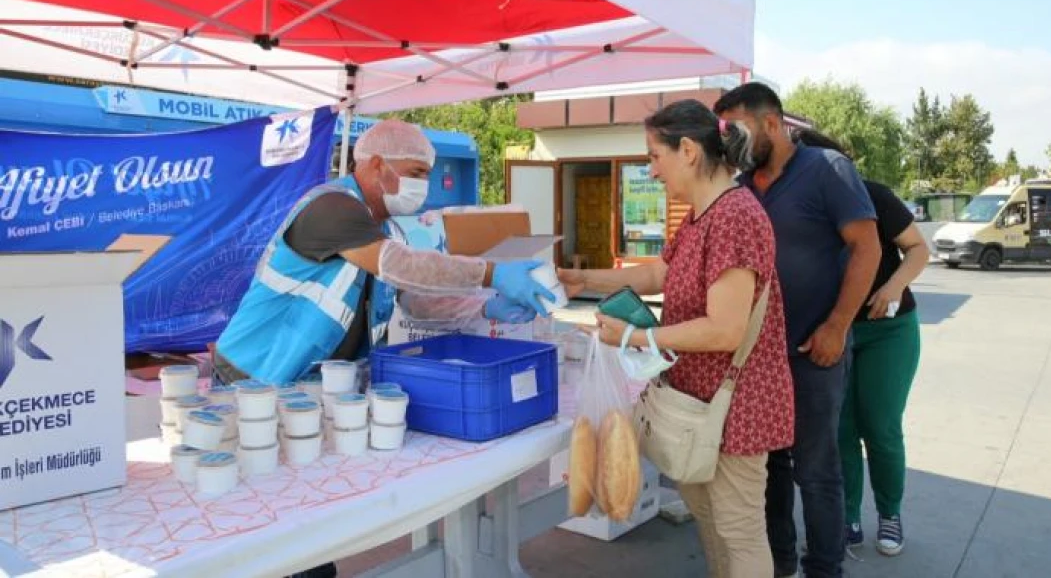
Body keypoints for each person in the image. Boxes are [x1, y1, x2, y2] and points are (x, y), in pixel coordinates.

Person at [559, 99, 794, 578]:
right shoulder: (700, 215)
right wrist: (586, 280)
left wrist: (638, 338)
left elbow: (725, 328)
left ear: (687, 150)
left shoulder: (734, 216)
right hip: (698, 403)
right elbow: (661, 272)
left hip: (736, 407)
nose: (652, 169)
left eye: (654, 155)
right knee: (711, 522)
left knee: (739, 530)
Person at [213, 119, 554, 388]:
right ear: (377, 165)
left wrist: (484, 307)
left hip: (314, 382)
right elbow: (401, 266)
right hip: (250, 374)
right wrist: (491, 273)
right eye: (416, 173)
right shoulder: (331, 208)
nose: (425, 187)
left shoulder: (389, 230)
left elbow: (415, 299)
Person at [714, 83, 881, 578]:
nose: (729, 140)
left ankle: (824, 568)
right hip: (758, 356)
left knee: (816, 469)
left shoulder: (827, 171)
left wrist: (837, 326)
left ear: (771, 124)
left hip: (815, 351)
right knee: (769, 468)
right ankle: (779, 563)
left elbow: (867, 249)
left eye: (736, 127)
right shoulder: (740, 185)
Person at [791, 129, 927, 557]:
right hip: (836, 329)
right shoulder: (804, 207)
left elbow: (919, 250)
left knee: (881, 426)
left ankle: (890, 512)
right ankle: (848, 515)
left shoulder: (873, 196)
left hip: (888, 330)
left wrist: (892, 286)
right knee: (841, 429)